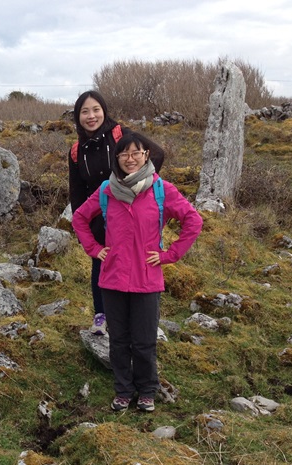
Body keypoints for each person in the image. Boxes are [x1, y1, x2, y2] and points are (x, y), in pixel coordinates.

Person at [71, 131, 202, 412]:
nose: (130, 159)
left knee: (143, 342)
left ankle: (147, 391)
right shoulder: (107, 189)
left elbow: (193, 220)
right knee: (118, 342)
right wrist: (95, 250)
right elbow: (80, 218)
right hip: (113, 278)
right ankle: (123, 390)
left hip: (147, 278)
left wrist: (170, 255)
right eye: (124, 154)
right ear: (117, 158)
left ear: (146, 155)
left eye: (136, 153)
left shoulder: (161, 189)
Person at [68, 91, 165, 336]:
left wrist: (140, 188)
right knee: (101, 263)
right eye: (85, 111)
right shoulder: (77, 151)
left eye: (96, 109)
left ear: (104, 110)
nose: (91, 116)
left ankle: (138, 317)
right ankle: (101, 315)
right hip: (100, 217)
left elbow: (157, 154)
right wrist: (84, 232)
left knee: (135, 261)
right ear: (78, 117)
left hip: (129, 211)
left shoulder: (121, 134)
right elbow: (77, 192)